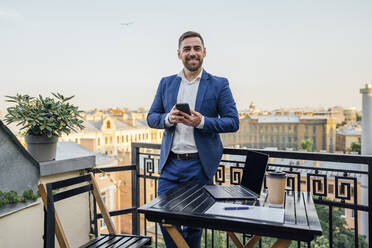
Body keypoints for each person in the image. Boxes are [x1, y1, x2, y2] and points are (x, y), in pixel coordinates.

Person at [147, 31, 239, 248]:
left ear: (204, 52)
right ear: (179, 54)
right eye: (187, 49)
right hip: (170, 166)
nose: (192, 53)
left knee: (194, 225)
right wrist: (168, 118)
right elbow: (151, 117)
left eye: (197, 48)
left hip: (200, 165)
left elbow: (233, 121)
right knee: (166, 219)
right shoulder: (166, 83)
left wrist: (202, 122)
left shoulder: (219, 84)